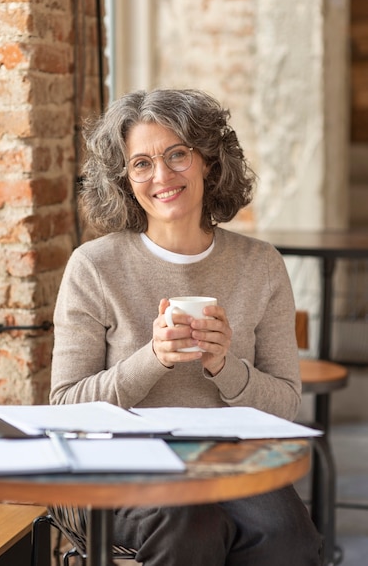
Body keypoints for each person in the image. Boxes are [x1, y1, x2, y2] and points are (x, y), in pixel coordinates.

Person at [50, 88, 322, 565]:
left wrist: (224, 366)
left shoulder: (260, 265)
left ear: (209, 163)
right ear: (124, 179)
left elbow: (286, 406)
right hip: (114, 466)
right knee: (189, 524)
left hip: (225, 460)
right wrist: (151, 359)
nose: (162, 176)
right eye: (141, 163)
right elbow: (66, 406)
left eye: (177, 155)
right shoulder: (93, 266)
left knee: (288, 534)